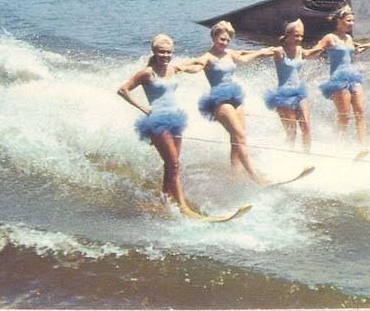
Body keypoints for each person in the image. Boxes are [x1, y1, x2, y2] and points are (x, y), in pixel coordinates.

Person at [117, 34, 201, 218]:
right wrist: (145, 109)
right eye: (161, 52)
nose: (165, 56)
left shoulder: (173, 68)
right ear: (154, 52)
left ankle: (165, 201)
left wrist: (202, 62)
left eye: (169, 52)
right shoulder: (147, 73)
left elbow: (192, 66)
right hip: (157, 121)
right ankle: (183, 207)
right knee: (174, 164)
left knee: (170, 165)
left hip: (175, 120)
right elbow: (122, 90)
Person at [181, 20, 274, 185]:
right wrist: (180, 68)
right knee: (240, 136)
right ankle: (256, 177)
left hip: (235, 97)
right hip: (219, 100)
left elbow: (245, 58)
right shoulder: (208, 57)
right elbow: (196, 66)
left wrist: (264, 52)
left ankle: (235, 175)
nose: (224, 43)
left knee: (235, 139)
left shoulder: (230, 53)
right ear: (214, 37)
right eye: (221, 39)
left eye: (227, 40)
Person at [314, 5, 366, 143]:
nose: (351, 24)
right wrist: (302, 54)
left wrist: (358, 49)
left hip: (353, 77)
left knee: (360, 112)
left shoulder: (349, 38)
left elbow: (350, 53)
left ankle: (363, 145)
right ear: (339, 20)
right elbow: (316, 50)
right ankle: (338, 142)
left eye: (353, 21)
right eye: (348, 21)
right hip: (338, 79)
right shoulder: (330, 38)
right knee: (344, 115)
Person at [265, 19, 320, 151]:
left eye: (301, 35)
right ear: (288, 35)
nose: (299, 38)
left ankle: (307, 158)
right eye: (296, 35)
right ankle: (289, 157)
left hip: (299, 93)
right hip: (284, 95)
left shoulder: (300, 50)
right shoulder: (279, 51)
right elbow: (261, 53)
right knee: (292, 132)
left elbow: (311, 53)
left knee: (306, 127)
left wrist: (325, 46)